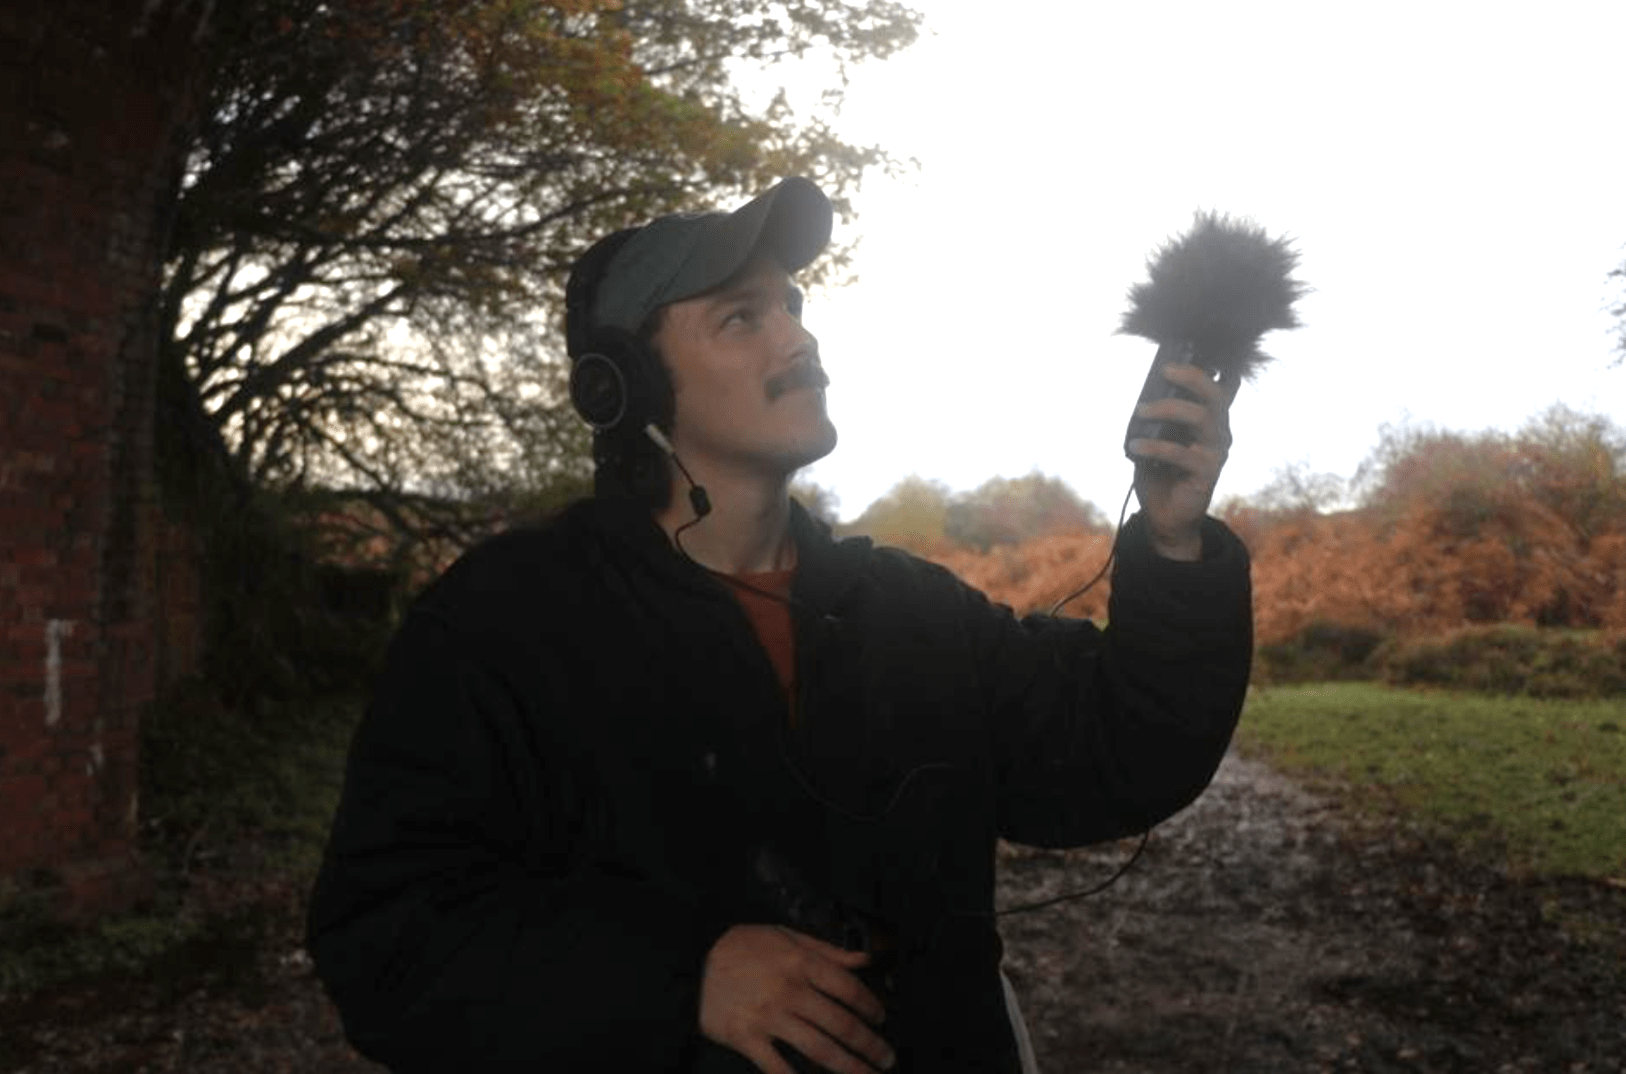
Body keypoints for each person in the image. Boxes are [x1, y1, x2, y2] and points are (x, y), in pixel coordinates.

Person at [307, 177, 1253, 1073]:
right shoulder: (500, 626)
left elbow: (1119, 750)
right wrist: (683, 979)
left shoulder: (909, 612)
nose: (798, 341)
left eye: (794, 305)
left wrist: (1172, 545)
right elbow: (388, 937)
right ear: (621, 386)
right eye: (740, 317)